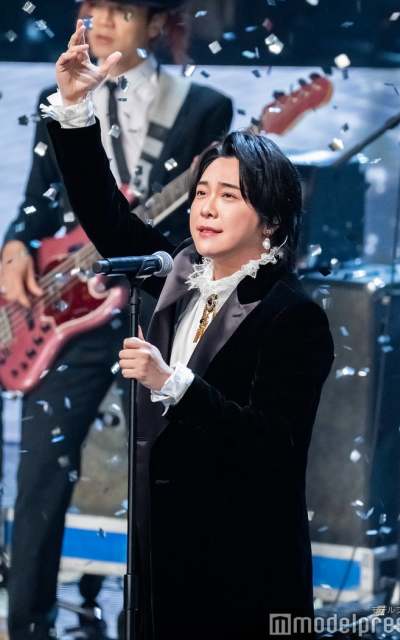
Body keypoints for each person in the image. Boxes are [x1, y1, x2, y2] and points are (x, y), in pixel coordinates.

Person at [41, 20, 335, 640]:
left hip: (245, 569)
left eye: (229, 195)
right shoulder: (176, 277)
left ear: (271, 221)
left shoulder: (292, 316)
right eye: (202, 191)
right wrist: (74, 107)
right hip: (162, 557)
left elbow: (273, 449)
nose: (205, 207)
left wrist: (172, 383)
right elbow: (105, 214)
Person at [0, 2, 232, 639]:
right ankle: (27, 626)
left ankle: (155, 621)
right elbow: (38, 200)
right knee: (40, 476)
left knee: (166, 472)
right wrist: (15, 243)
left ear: (155, 24)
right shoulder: (56, 97)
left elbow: (200, 220)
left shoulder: (201, 107)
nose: (100, 21)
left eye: (121, 10)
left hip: (154, 313)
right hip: (67, 318)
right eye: (92, 8)